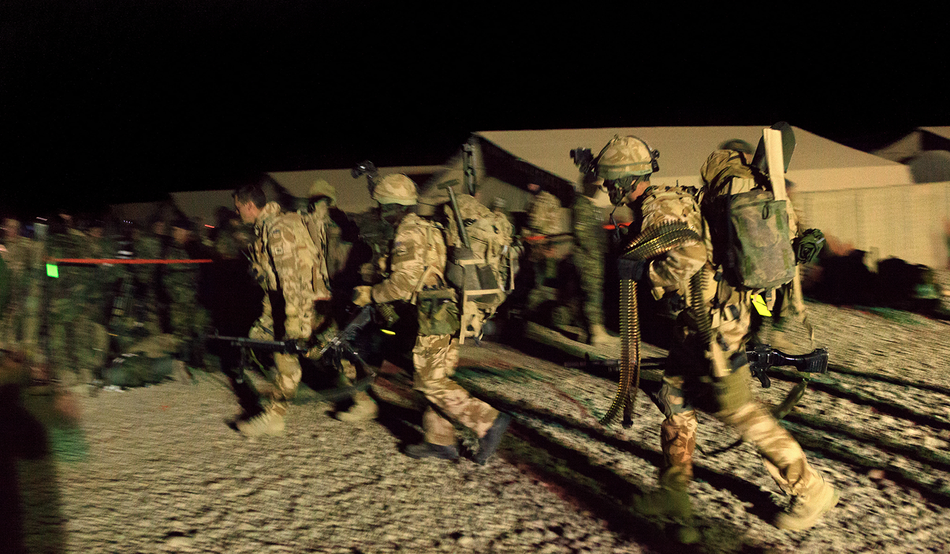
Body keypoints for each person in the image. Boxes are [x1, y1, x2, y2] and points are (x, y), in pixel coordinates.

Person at [590, 136, 838, 542]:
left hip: (715, 324)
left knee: (738, 410)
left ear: (620, 182)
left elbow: (689, 257)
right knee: (674, 398)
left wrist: (648, 277)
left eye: (608, 181)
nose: (605, 188)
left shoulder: (660, 207)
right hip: (700, 320)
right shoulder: (668, 200)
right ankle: (674, 496)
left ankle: (811, 489)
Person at [351, 174, 511, 463]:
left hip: (434, 316)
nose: (380, 212)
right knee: (436, 376)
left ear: (390, 207)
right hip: (449, 312)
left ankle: (487, 421)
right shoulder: (430, 228)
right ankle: (440, 441)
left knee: (430, 382)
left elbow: (404, 283)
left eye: (381, 206)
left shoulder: (408, 232)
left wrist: (371, 294)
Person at [233, 183, 332, 436]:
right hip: (293, 302)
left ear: (249, 206)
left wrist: (291, 323)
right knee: (269, 339)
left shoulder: (276, 230)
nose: (238, 214)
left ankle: (275, 417)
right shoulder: (270, 226)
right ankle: (362, 398)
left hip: (296, 304)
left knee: (287, 354)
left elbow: (290, 280)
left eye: (238, 208)